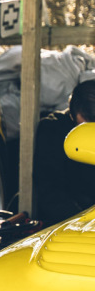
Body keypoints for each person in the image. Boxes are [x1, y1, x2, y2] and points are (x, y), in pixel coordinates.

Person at [33, 79, 95, 225]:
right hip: (71, 221)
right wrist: (81, 221)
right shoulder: (53, 131)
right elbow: (49, 192)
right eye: (89, 121)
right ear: (75, 113)